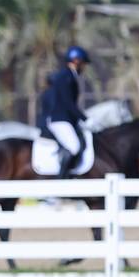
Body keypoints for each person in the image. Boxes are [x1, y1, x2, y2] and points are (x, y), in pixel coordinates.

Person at [44, 46, 90, 178]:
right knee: (74, 147)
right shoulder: (65, 77)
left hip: (66, 119)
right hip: (60, 119)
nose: (84, 67)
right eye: (83, 64)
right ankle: (60, 181)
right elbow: (68, 103)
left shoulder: (69, 76)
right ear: (76, 61)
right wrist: (85, 118)